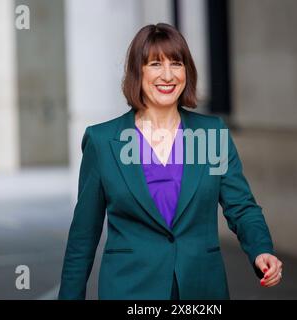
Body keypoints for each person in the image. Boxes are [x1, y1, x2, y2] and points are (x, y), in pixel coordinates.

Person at [59, 23, 282, 300]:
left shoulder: (211, 134)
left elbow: (241, 207)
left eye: (176, 63)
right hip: (130, 290)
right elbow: (84, 234)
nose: (167, 75)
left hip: (201, 289)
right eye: (155, 64)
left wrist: (261, 249)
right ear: (137, 72)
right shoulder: (103, 141)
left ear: (186, 71)